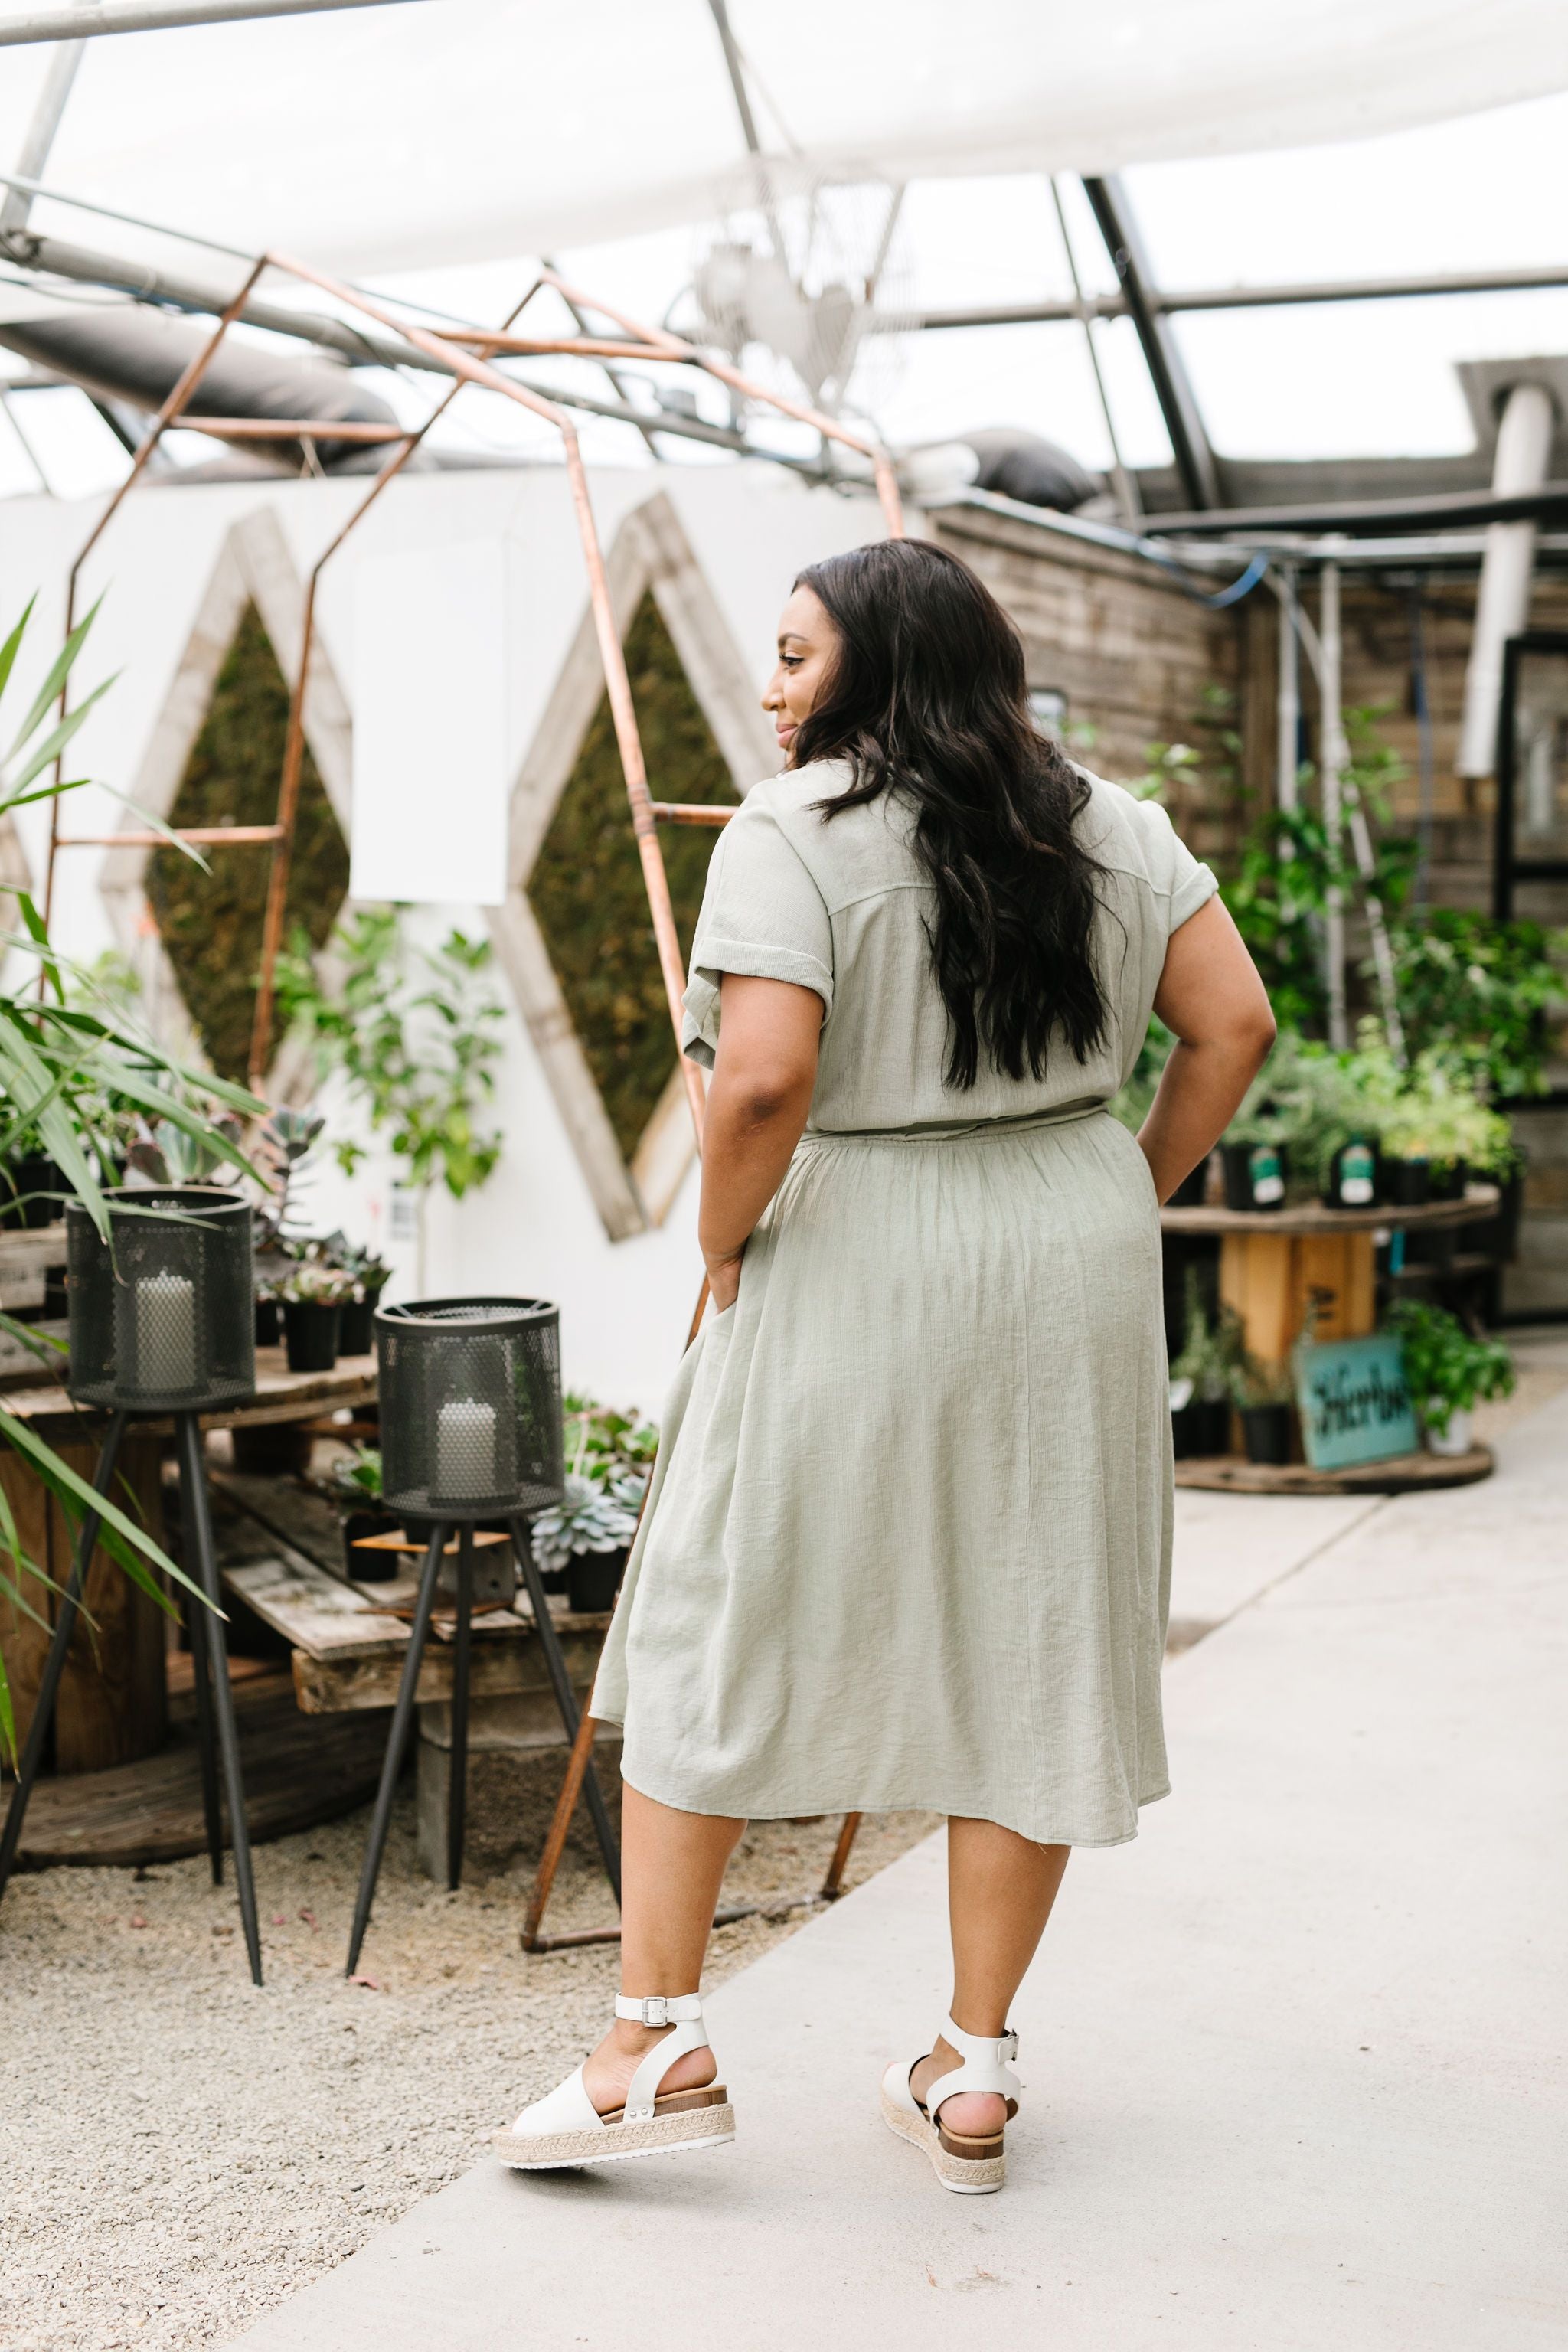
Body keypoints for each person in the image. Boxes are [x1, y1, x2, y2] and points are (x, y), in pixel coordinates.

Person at [495, 537, 1275, 2192]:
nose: (771, 688)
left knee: (715, 1600)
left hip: (852, 1240)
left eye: (795, 656)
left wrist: (717, 1241)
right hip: (1067, 1256)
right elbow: (1235, 1027)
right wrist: (1120, 1186)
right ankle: (974, 2070)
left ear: (879, 669)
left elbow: (764, 1082)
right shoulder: (1113, 822)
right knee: (1035, 1625)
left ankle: (654, 2040)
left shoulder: (791, 832)